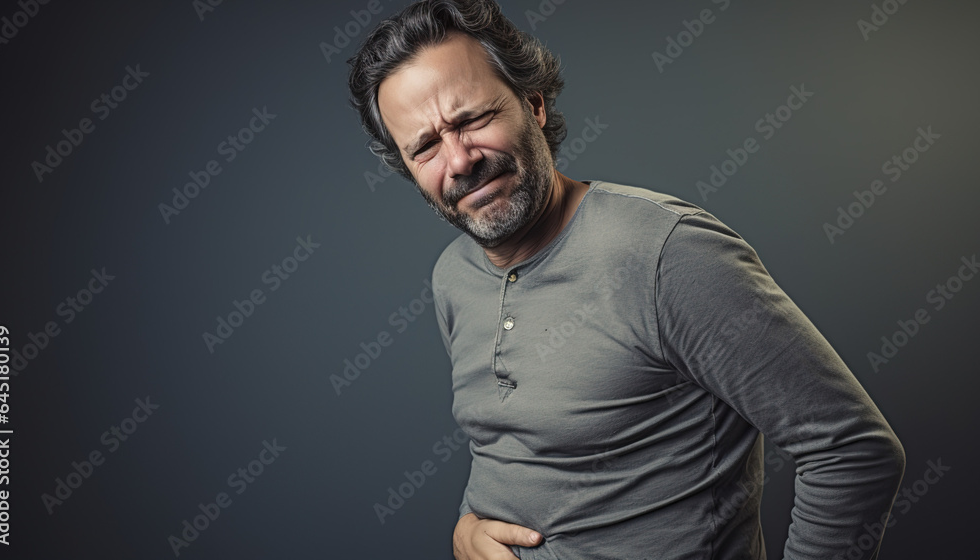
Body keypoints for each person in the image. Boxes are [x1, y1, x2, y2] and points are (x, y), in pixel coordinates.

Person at [347, 1, 906, 558]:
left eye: (472, 119)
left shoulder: (669, 255)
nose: (459, 159)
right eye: (424, 146)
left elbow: (852, 451)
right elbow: (516, 445)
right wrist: (467, 526)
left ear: (533, 104)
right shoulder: (453, 277)